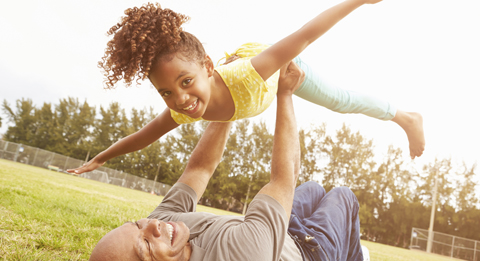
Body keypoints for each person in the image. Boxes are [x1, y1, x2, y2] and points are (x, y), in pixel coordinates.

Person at [85, 61, 370, 261]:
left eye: (137, 225)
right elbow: (284, 179)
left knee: (315, 189)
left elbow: (199, 169)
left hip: (282, 232)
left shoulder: (159, 224)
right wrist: (285, 94)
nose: (152, 226)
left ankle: (341, 242)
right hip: (310, 256)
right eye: (145, 245)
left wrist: (227, 101)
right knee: (342, 196)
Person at [68, 0, 425, 177]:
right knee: (208, 110)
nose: (181, 100)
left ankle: (405, 117)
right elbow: (143, 137)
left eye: (186, 83)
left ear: (207, 68)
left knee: (339, 101)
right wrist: (100, 158)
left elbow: (304, 36)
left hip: (272, 71)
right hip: (231, 82)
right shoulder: (180, 107)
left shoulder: (251, 73)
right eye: (166, 92)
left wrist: (357, 1)